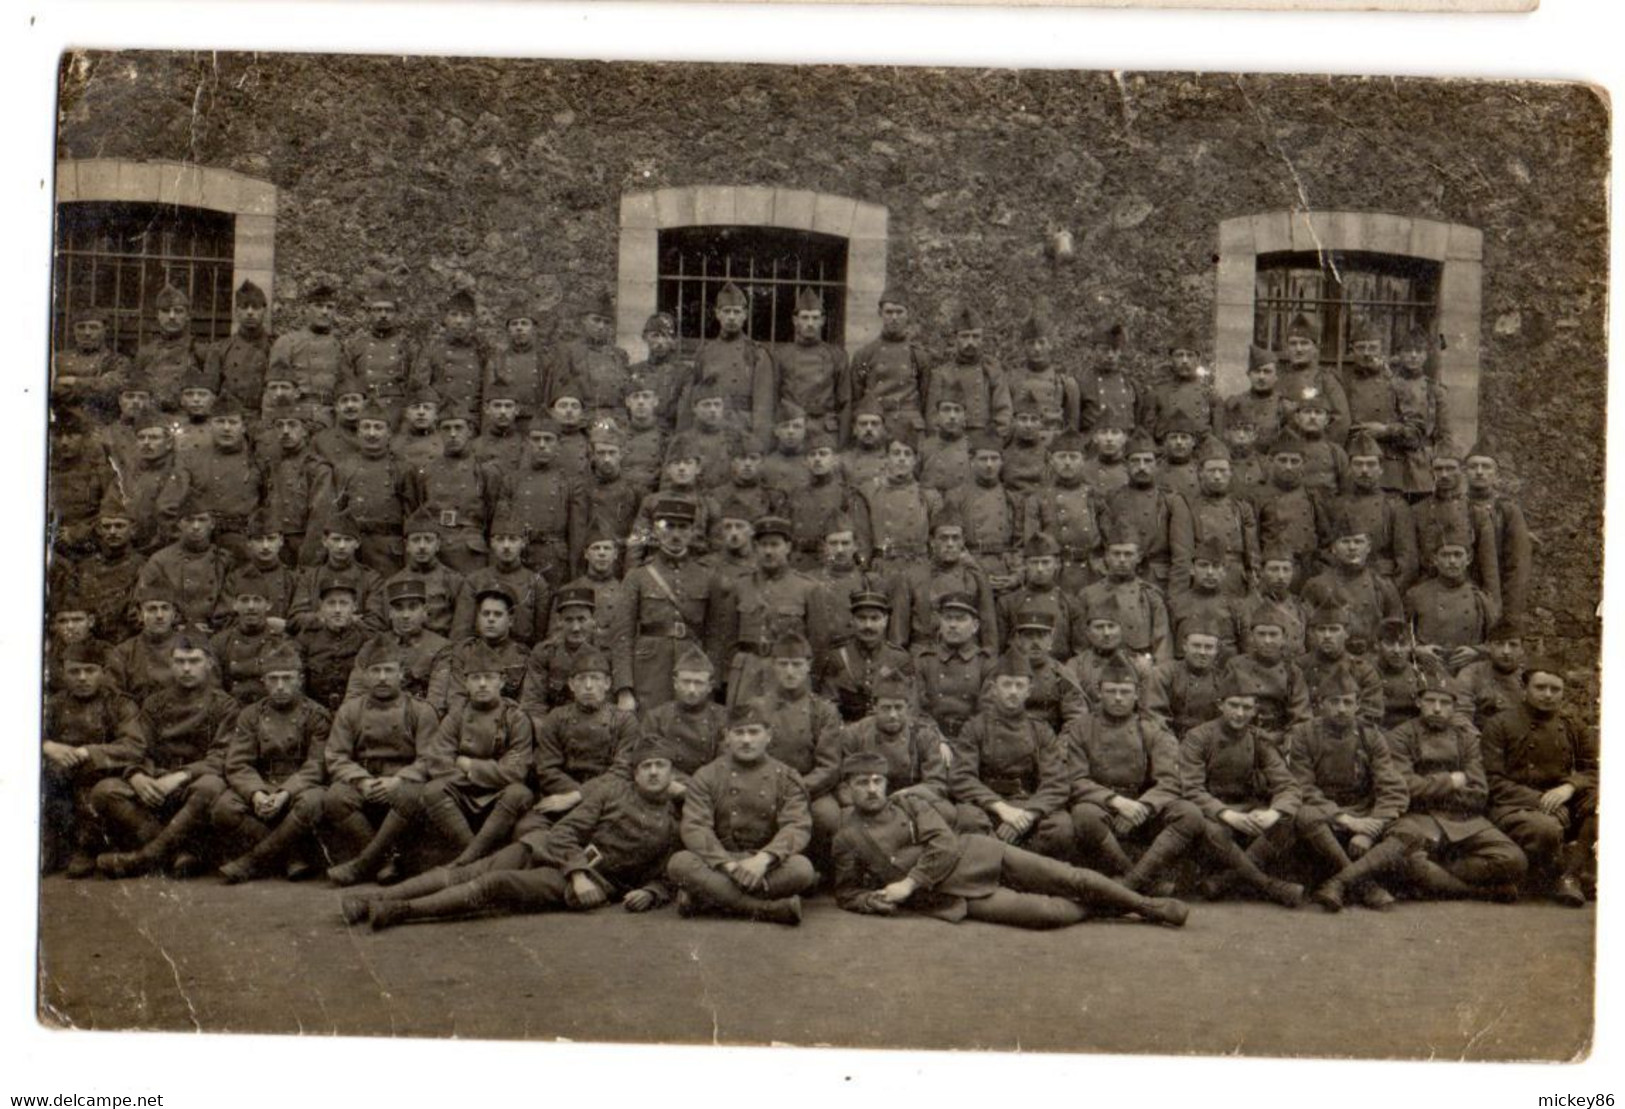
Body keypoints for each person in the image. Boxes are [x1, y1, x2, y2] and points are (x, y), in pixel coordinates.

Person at [343, 733, 683, 931]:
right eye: (646, 766)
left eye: (660, 766)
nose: (653, 773)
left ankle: (400, 913)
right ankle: (373, 901)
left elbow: (667, 875)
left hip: (592, 882)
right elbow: (564, 832)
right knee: (470, 870)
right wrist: (577, 870)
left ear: (672, 773)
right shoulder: (610, 791)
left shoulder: (673, 822)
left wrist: (651, 893)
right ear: (635, 773)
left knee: (495, 884)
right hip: (553, 853)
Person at [834, 752, 1187, 928]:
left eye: (877, 781)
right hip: (949, 895)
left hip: (980, 855)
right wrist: (871, 901)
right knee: (1046, 914)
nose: (871, 789)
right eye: (862, 783)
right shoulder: (847, 837)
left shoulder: (908, 802)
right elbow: (847, 893)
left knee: (1070, 878)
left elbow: (943, 843)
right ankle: (1111, 904)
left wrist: (907, 885)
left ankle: (1147, 907)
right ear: (848, 789)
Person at [92, 638, 239, 878]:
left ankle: (144, 858)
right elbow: (137, 747)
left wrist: (182, 776)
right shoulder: (155, 703)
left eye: (194, 661)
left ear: (209, 664)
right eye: (180, 661)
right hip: (156, 778)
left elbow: (222, 755)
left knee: (211, 786)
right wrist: (136, 775)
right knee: (104, 791)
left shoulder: (224, 705)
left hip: (193, 780)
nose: (187, 668)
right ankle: (179, 852)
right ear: (171, 665)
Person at [1062, 658, 1208, 894]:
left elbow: (1170, 780)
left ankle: (1130, 884)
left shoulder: (1151, 728)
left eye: (1125, 692)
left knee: (1190, 815)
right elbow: (1076, 780)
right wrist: (1115, 801)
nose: (1118, 698)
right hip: (1103, 806)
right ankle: (1142, 881)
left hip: (1142, 807)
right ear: (1099, 692)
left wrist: (1144, 807)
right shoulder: (1081, 728)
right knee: (1084, 815)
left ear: (1137, 694)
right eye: (1111, 691)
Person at [666, 702, 818, 925]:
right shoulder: (707, 775)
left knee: (802, 869)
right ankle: (766, 909)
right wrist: (728, 866)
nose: (746, 740)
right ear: (727, 736)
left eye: (754, 732)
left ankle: (707, 900)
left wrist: (763, 860)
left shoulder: (786, 776)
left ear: (768, 735)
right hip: (721, 862)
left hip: (764, 864)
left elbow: (796, 825)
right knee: (679, 864)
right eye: (739, 732)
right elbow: (695, 826)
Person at [1384, 670, 1527, 901]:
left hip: (1463, 820)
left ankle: (1437, 877)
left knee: (1513, 860)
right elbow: (1403, 787)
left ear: (1454, 707)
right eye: (1431, 701)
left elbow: (1479, 793)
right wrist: (1451, 781)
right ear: (1419, 702)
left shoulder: (1466, 739)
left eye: (1445, 703)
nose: (1437, 709)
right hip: (1419, 819)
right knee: (1405, 858)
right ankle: (1479, 893)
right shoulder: (1400, 736)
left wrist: (1427, 790)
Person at [1288, 666, 1411, 911]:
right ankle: (1365, 886)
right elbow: (1304, 787)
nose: (1342, 709)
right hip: (1326, 813)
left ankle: (1339, 882)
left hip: (1364, 813)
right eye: (1334, 702)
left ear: (1357, 705)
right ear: (1320, 704)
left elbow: (1391, 786)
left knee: (1410, 831)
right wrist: (1343, 819)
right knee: (1305, 815)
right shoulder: (1304, 734)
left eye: (1347, 702)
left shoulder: (1371, 735)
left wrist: (1370, 830)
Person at [398, 651, 535, 870]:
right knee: (433, 790)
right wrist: (477, 778)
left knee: (518, 792)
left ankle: (466, 860)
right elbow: (438, 760)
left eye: (489, 678)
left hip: (499, 794)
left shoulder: (515, 717)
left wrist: (470, 766)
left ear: (501, 682)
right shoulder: (458, 714)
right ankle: (474, 856)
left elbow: (516, 771)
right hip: (464, 791)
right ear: (466, 683)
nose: (482, 684)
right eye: (475, 678)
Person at [1177, 676, 1305, 907]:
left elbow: (1288, 785)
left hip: (1247, 808)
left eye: (1246, 707)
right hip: (1213, 810)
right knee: (1211, 829)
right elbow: (1192, 788)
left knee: (1288, 818)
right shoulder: (1198, 737)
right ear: (1220, 705)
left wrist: (1272, 814)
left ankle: (1224, 881)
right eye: (1233, 705)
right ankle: (1269, 886)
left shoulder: (1258, 739)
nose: (1239, 713)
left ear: (1255, 710)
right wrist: (1227, 814)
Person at [212, 643, 332, 883]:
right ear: (263, 681)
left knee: (314, 802)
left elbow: (316, 764)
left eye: (287, 678)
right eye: (273, 679)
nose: (280, 686)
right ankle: (290, 855)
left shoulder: (316, 715)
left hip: (299, 787)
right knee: (223, 808)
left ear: (299, 680)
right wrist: (256, 793)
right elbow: (238, 763)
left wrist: (285, 793)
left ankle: (253, 861)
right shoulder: (250, 715)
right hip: (263, 783)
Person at [1481, 660, 1597, 906]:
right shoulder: (1500, 724)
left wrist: (1569, 787)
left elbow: (1594, 769)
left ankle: (1569, 876)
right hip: (1513, 805)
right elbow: (1492, 780)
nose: (1548, 695)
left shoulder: (1572, 725)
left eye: (1555, 690)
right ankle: (1552, 877)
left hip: (1562, 800)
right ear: (1525, 689)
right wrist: (1540, 801)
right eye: (1540, 687)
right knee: (1545, 829)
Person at [611, 497, 734, 712]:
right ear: (657, 531)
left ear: (692, 532)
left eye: (683, 527)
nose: (676, 535)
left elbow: (716, 636)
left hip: (692, 672)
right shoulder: (637, 577)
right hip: (648, 672)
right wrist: (624, 688)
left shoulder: (708, 577)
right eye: (669, 527)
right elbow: (622, 636)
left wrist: (711, 684)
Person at [948, 652, 1074, 858]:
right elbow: (961, 777)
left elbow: (1057, 782)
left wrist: (1028, 815)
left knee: (1062, 828)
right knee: (968, 820)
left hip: (1027, 801)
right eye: (1007, 685)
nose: (1013, 692)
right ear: (994, 688)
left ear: (1029, 691)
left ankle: (1020, 869)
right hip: (988, 803)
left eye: (1019, 686)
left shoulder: (1040, 730)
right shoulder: (975, 727)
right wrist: (1001, 809)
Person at [41, 640, 146, 878]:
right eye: (74, 671)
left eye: (90, 670)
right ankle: (49, 846)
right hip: (61, 779)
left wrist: (89, 752)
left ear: (104, 673)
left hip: (102, 777)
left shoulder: (119, 704)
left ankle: (88, 847)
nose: (82, 678)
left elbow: (134, 746)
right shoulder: (53, 704)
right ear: (63, 673)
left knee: (99, 790)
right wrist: (47, 745)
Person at [517, 650, 639, 839]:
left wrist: (578, 797)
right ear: (571, 685)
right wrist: (569, 796)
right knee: (525, 829)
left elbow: (622, 771)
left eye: (595, 678)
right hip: (561, 797)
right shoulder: (556, 718)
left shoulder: (624, 721)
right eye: (581, 679)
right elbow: (547, 769)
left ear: (607, 683)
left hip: (607, 801)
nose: (588, 686)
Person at [835, 674, 953, 825]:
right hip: (868, 803)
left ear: (908, 708)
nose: (893, 715)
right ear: (875, 707)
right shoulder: (855, 734)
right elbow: (844, 784)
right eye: (886, 708)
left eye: (898, 707)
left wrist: (906, 795)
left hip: (912, 802)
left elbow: (936, 784)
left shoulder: (923, 735)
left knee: (947, 813)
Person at [676, 282, 775, 451]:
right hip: (710, 429)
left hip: (743, 430)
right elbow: (693, 397)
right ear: (717, 314)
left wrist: (759, 445)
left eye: (736, 312)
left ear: (745, 314)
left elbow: (763, 406)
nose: (731, 317)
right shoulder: (705, 352)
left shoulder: (757, 353)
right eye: (726, 311)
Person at [817, 589, 915, 722]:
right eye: (862, 618)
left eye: (875, 618)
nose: (868, 625)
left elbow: (909, 707)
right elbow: (828, 706)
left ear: (885, 620)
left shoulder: (899, 659)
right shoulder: (838, 657)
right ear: (852, 620)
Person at [847, 288, 929, 441]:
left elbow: (925, 399)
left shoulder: (918, 356)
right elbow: (856, 398)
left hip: (909, 428)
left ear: (908, 314)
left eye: (899, 312)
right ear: (880, 313)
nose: (894, 317)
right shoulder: (865, 354)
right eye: (889, 312)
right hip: (875, 427)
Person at [911, 592, 996, 739]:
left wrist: (967, 740)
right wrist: (936, 739)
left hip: (972, 740)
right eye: (947, 618)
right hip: (930, 738)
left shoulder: (985, 663)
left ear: (975, 626)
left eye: (960, 619)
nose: (952, 625)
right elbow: (917, 709)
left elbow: (987, 712)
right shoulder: (924, 661)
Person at [774, 287, 850, 438]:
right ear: (795, 320)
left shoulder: (837, 355)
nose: (810, 323)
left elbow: (845, 402)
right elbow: (773, 399)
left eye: (815, 318)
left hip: (825, 431)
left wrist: (842, 440)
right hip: (793, 430)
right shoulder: (781, 355)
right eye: (805, 317)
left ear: (822, 321)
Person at [926, 306, 1011, 439]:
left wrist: (994, 440)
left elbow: (1004, 411)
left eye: (975, 336)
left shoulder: (992, 370)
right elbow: (933, 419)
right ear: (955, 338)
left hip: (985, 440)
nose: (970, 342)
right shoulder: (941, 373)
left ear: (982, 338)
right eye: (965, 336)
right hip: (951, 441)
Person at [269, 282, 345, 423]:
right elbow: (272, 390)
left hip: (328, 417)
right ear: (306, 310)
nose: (324, 311)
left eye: (329, 307)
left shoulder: (337, 346)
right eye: (318, 306)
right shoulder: (288, 342)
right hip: (295, 416)